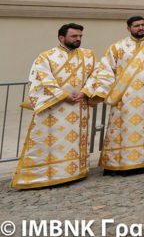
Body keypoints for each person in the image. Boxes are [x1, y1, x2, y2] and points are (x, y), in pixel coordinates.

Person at [12, 23, 97, 189]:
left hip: (79, 107)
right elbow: (43, 79)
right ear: (61, 37)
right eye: (74, 36)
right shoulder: (46, 57)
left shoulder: (89, 56)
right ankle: (45, 176)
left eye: (80, 36)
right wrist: (64, 96)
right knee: (51, 142)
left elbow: (96, 75)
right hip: (54, 108)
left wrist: (86, 91)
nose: (78, 39)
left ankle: (75, 172)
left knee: (74, 142)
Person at [83, 15, 144, 175]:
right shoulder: (117, 47)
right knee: (122, 131)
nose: (141, 28)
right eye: (136, 26)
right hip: (123, 99)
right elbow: (106, 70)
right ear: (129, 28)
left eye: (143, 24)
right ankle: (119, 162)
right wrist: (103, 91)